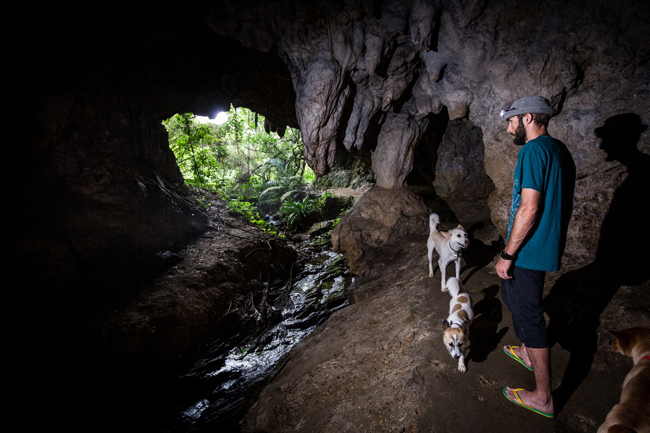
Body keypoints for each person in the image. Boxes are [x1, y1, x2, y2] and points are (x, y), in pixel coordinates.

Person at [496, 95, 568, 419]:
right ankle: (527, 352)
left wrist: (508, 254)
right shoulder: (558, 150)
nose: (510, 128)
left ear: (527, 118)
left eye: (512, 121)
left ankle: (543, 397)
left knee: (530, 315)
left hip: (528, 251)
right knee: (511, 296)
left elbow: (529, 207)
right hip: (539, 248)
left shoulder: (532, 150)